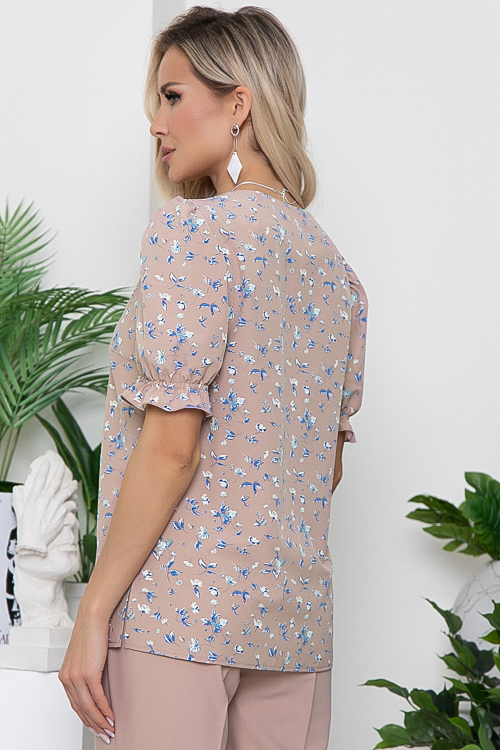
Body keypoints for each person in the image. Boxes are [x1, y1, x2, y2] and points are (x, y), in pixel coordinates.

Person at [58, 6, 368, 749]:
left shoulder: (193, 232)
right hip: (292, 625)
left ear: (239, 105)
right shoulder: (337, 275)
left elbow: (173, 447)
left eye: (172, 97)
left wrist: (93, 611)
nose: (157, 124)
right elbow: (323, 465)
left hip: (174, 616)